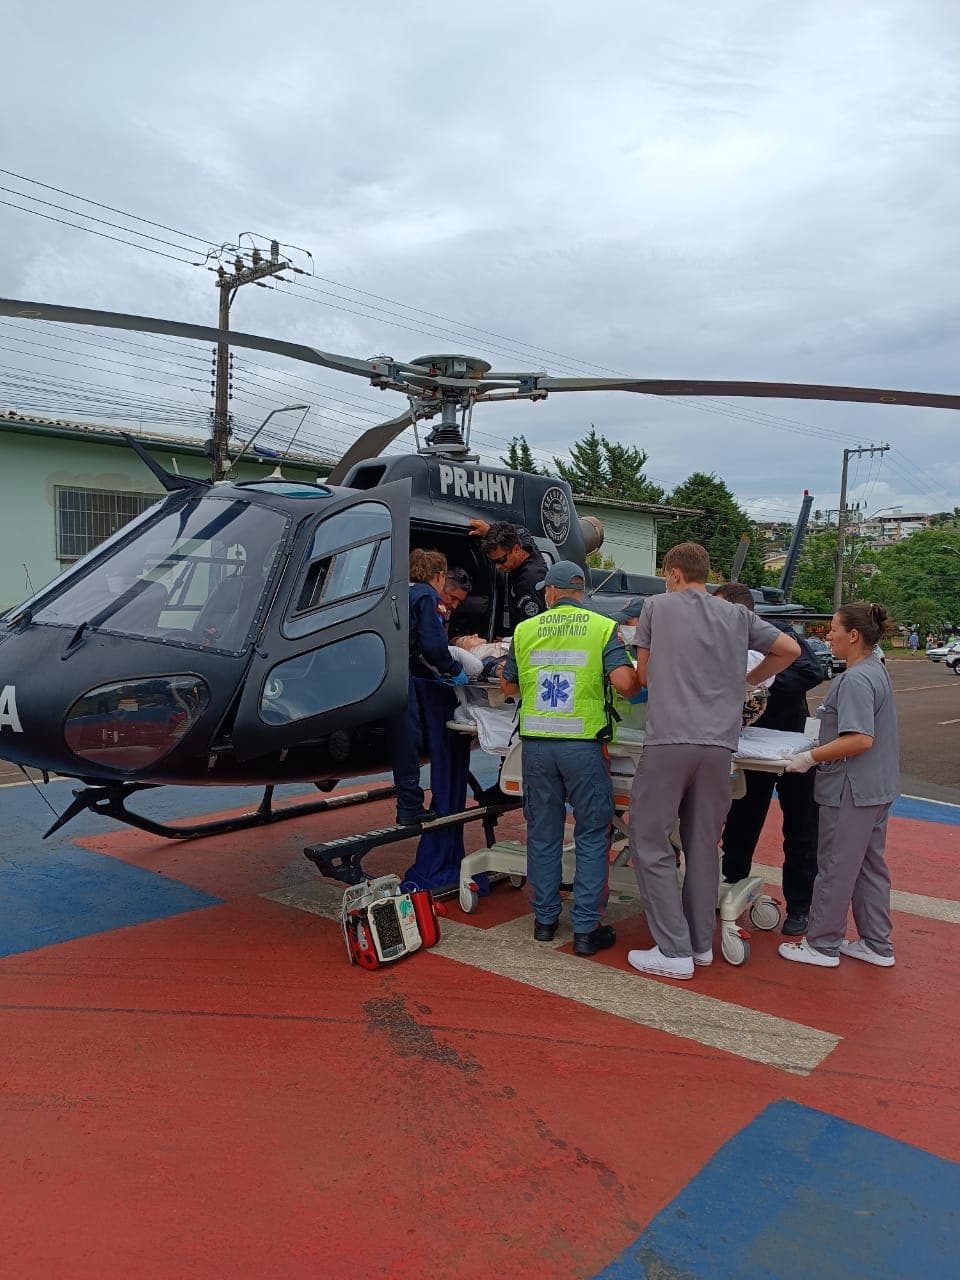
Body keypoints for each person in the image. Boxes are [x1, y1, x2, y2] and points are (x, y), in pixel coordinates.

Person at [625, 543, 800, 980]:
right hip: (719, 747)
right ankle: (701, 944)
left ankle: (672, 948)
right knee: (703, 844)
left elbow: (643, 677)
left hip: (669, 741)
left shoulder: (656, 608)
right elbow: (789, 650)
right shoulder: (737, 615)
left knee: (648, 840)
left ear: (673, 573)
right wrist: (744, 682)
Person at [500, 561, 643, 956]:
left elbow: (508, 684)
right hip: (582, 745)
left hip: (537, 747)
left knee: (543, 833)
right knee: (593, 835)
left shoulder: (526, 630)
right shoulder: (602, 628)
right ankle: (585, 930)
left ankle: (544, 922)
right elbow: (625, 684)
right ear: (582, 592)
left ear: (550, 593)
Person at [778, 602, 900, 969]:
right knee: (868, 866)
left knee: (835, 865)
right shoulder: (875, 671)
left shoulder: (855, 679)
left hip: (851, 788)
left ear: (854, 635)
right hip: (875, 787)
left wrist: (811, 757)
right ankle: (876, 942)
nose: (827, 636)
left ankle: (822, 943)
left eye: (833, 629)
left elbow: (860, 738)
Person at [714, 581, 824, 936]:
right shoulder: (721, 639)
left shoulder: (778, 635)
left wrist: (760, 681)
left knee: (802, 828)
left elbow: (811, 672)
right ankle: (730, 888)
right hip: (749, 747)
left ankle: (800, 907)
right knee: (741, 821)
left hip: (791, 746)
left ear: (739, 611)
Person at [388, 549, 468, 826]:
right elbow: (433, 645)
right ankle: (410, 807)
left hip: (384, 671)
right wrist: (454, 669)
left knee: (400, 738)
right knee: (408, 739)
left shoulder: (398, 591)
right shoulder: (427, 596)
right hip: (402, 675)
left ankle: (407, 802)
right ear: (438, 575)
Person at [469, 519, 547, 628]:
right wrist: (491, 531)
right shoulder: (524, 542)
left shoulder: (529, 582)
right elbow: (520, 529)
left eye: (500, 560)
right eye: (493, 562)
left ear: (516, 549)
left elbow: (532, 629)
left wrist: (508, 642)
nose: (497, 566)